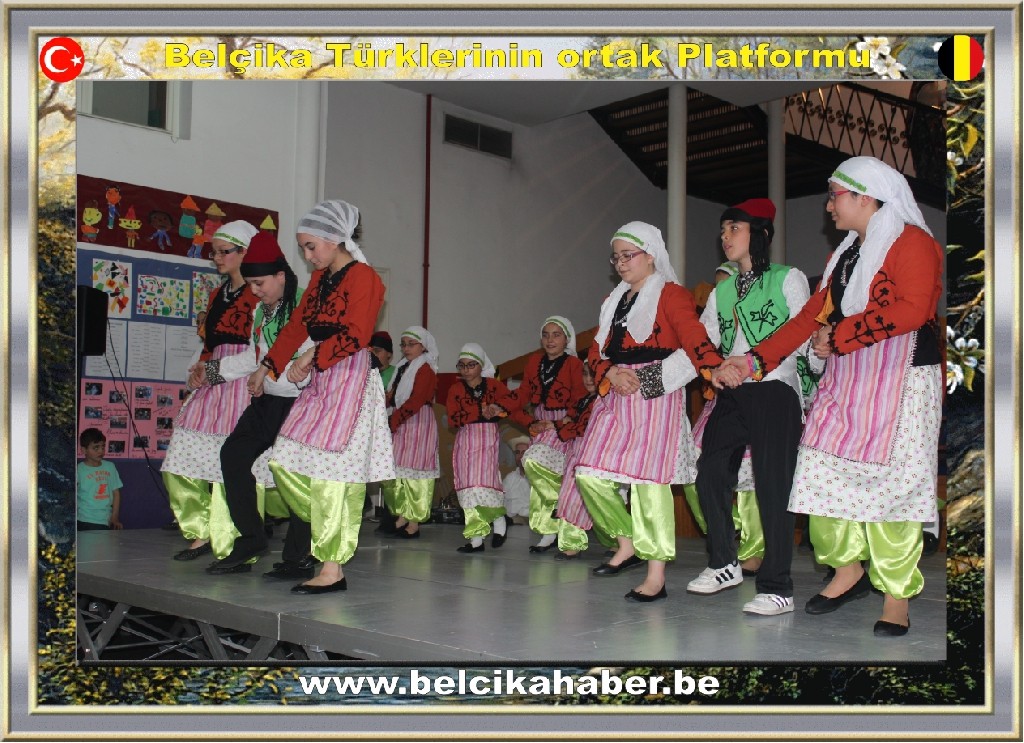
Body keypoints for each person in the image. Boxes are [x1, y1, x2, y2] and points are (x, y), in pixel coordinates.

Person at [717, 156, 943, 635]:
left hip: (901, 376)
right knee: (817, 473)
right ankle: (846, 570)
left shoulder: (914, 242)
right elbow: (808, 319)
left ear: (865, 197)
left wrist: (839, 335)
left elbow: (913, 308)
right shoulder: (843, 256)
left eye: (835, 195)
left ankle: (896, 595)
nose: (828, 206)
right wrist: (753, 361)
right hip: (846, 377)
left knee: (893, 486)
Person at [248, 199, 395, 594]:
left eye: (311, 246)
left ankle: (332, 568)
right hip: (322, 380)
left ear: (335, 238)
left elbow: (357, 334)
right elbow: (297, 325)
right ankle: (332, 530)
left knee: (334, 475)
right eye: (304, 248)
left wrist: (314, 355)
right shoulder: (318, 279)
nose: (308, 255)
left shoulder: (364, 277)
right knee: (284, 461)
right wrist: (267, 365)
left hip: (349, 379)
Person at [575, 221, 725, 602]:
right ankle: (627, 542)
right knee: (588, 472)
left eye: (629, 255)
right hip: (617, 391)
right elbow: (595, 350)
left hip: (656, 393)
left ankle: (656, 574)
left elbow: (694, 338)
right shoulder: (614, 300)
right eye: (616, 257)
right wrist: (610, 372)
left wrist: (714, 368)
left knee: (649, 484)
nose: (621, 263)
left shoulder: (671, 294)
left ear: (651, 255)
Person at [685, 198, 813, 617]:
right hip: (732, 390)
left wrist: (757, 364)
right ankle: (724, 562)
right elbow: (705, 338)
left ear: (760, 233)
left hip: (774, 388)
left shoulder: (788, 278)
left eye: (734, 228)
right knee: (709, 472)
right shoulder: (721, 290)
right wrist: (713, 368)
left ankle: (778, 587)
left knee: (773, 485)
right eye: (723, 230)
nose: (725, 237)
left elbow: (800, 332)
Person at [199, 231, 314, 576]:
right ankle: (251, 538)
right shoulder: (261, 311)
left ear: (280, 276)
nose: (255, 291)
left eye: (260, 283)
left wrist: (271, 375)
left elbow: (308, 360)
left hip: (301, 402)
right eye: (250, 284)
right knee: (233, 454)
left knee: (294, 473)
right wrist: (212, 370)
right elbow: (256, 355)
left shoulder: (305, 307)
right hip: (269, 402)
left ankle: (298, 556)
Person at [161, 220, 259, 562]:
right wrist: (198, 370)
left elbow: (260, 351)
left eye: (223, 251)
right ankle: (200, 530)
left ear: (244, 252)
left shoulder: (258, 294)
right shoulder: (218, 294)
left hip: (241, 383)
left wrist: (215, 369)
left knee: (230, 467)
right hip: (212, 383)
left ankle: (229, 541)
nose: (216, 258)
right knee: (180, 457)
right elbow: (209, 343)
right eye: (214, 252)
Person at [499, 316, 588, 553]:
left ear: (567, 339)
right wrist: (511, 411)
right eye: (546, 335)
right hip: (541, 428)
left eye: (556, 335)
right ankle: (549, 532)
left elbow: (580, 399)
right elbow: (523, 394)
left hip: (564, 429)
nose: (550, 340)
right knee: (540, 475)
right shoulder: (534, 362)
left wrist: (558, 423)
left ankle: (562, 512)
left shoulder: (574, 364)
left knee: (532, 461)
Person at [446, 343, 516, 553]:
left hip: (487, 441)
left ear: (481, 365)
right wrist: (479, 410)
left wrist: (497, 409)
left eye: (471, 365)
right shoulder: (456, 389)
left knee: (484, 486)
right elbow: (453, 419)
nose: (466, 370)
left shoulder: (494, 386)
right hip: (465, 442)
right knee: (468, 490)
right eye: (462, 365)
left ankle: (499, 520)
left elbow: (511, 404)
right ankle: (476, 540)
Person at [381, 326, 440, 539]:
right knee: (398, 472)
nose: (406, 348)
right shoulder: (403, 367)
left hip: (418, 422)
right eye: (404, 344)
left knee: (415, 473)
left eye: (411, 344)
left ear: (423, 346)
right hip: (403, 422)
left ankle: (414, 522)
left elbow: (416, 400)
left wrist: (394, 419)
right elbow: (393, 395)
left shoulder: (425, 369)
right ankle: (403, 515)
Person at [553, 358, 613, 559]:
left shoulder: (607, 399)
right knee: (570, 495)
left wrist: (567, 427)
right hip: (577, 453)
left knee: (601, 501)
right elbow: (570, 421)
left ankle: (617, 542)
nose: (588, 379)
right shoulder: (583, 400)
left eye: (593, 374)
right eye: (585, 374)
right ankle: (572, 542)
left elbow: (585, 427)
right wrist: (566, 424)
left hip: (598, 455)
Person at [77, 428, 123, 530]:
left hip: (106, 520)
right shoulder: (79, 469)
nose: (101, 451)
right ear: (84, 450)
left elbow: (116, 493)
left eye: (103, 447)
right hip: (85, 520)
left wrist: (114, 517)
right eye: (96, 448)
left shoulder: (110, 466)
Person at [501, 436, 532, 525]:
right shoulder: (510, 478)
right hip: (510, 521)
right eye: (517, 452)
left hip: (531, 522)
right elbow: (500, 500)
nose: (520, 456)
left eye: (524, 452)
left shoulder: (539, 479)